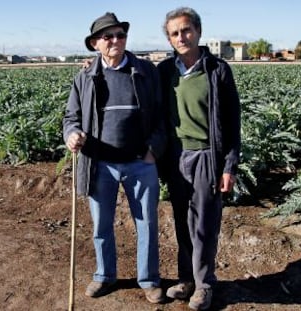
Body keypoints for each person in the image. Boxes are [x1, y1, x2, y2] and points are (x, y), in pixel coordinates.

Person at [62, 12, 165, 304]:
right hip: (100, 164)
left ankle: (149, 279)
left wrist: (153, 150)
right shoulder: (84, 77)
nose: (116, 40)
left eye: (120, 35)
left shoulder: (145, 71)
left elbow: (161, 116)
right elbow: (71, 117)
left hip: (139, 162)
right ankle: (104, 276)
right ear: (95, 43)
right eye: (108, 36)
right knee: (101, 225)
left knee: (146, 224)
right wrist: (72, 134)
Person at [157, 7, 241, 310]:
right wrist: (93, 64)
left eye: (186, 30)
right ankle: (186, 279)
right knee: (182, 222)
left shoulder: (217, 70)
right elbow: (132, 76)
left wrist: (229, 165)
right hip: (177, 157)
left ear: (198, 31)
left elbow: (233, 122)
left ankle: (205, 284)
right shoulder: (165, 71)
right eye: (175, 33)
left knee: (204, 225)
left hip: (207, 156)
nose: (182, 37)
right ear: (169, 39)